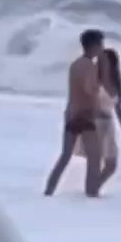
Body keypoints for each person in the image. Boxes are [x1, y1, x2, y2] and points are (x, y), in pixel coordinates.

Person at [44, 29, 104, 198]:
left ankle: (49, 191)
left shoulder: (75, 64)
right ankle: (92, 193)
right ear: (93, 46)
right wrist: (97, 92)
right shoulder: (89, 66)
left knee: (65, 156)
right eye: (100, 44)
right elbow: (88, 89)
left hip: (71, 113)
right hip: (84, 115)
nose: (102, 48)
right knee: (94, 156)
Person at [77, 47, 121, 191]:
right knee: (94, 162)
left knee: (111, 164)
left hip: (109, 125)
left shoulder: (117, 83)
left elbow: (118, 108)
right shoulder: (94, 80)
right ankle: (90, 194)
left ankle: (94, 188)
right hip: (94, 124)